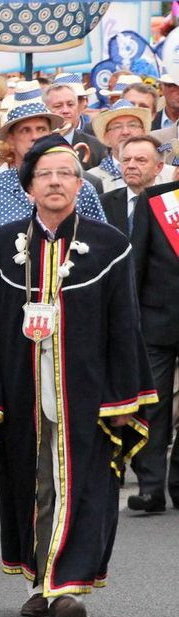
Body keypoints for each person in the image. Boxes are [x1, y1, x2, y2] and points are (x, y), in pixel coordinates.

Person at [0, 134, 156, 617]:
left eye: (65, 174)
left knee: (82, 485)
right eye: (45, 175)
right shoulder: (1, 245)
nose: (56, 182)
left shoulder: (109, 245)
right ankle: (41, 578)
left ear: (80, 185)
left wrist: (125, 395)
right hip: (22, 393)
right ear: (30, 186)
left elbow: (126, 326)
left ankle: (68, 586)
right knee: (34, 486)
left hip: (89, 393)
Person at [0, 86, 108, 229]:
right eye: (25, 130)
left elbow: (101, 242)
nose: (35, 137)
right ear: (11, 140)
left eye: (41, 129)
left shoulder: (80, 187)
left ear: (51, 134)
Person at [125, 174, 179, 512]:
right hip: (156, 320)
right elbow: (137, 264)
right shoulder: (157, 200)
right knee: (153, 406)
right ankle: (150, 488)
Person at [99, 135, 166, 236]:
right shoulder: (102, 203)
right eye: (126, 160)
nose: (131, 165)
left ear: (158, 167)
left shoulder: (170, 204)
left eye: (140, 160)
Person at [88, 100, 154, 193]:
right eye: (117, 127)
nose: (125, 132)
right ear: (106, 136)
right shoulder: (91, 179)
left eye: (132, 125)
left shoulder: (167, 174)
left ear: (143, 132)